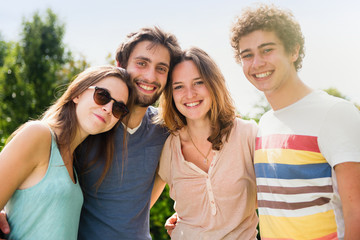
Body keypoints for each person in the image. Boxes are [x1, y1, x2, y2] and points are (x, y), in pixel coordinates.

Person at [230, 4, 360, 240]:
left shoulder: (336, 113)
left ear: (293, 51)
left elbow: (357, 213)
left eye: (266, 50)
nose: (256, 63)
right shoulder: (266, 123)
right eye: (247, 55)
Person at [0, 65, 134, 240]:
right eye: (102, 96)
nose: (108, 108)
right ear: (77, 94)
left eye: (118, 108)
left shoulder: (74, 161)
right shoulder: (38, 134)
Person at [74, 27, 181, 239]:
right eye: (142, 63)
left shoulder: (166, 128)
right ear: (121, 66)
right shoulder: (93, 120)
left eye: (161, 68)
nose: (150, 76)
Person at [151, 47, 259, 239]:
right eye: (178, 86)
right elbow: (140, 207)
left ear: (214, 84)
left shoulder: (247, 134)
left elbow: (274, 197)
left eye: (198, 82)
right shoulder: (168, 147)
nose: (189, 94)